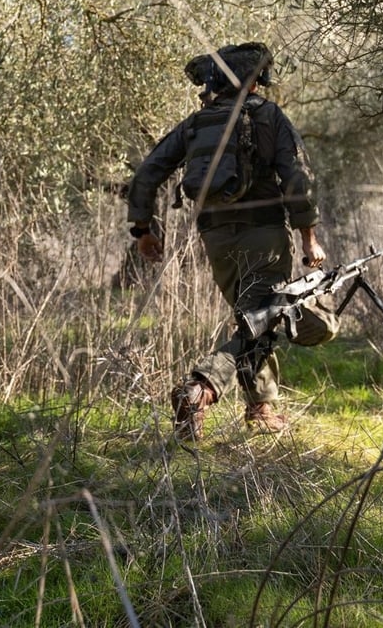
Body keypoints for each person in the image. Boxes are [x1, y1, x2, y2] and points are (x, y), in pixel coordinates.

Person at [126, 42, 326, 440]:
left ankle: (260, 408)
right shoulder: (268, 115)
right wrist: (309, 238)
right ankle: (201, 388)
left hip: (215, 239)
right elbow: (297, 179)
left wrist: (143, 230)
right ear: (255, 82)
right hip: (264, 235)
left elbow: (147, 173)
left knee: (254, 320)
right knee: (263, 321)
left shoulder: (197, 123)